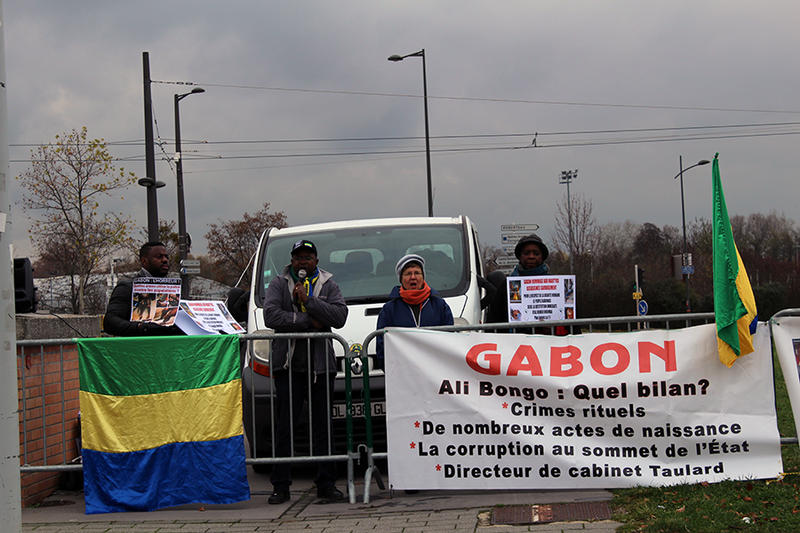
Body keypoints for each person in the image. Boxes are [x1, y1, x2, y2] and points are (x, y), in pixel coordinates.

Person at [262, 239, 348, 505]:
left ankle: (326, 484)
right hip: (288, 367)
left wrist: (309, 301)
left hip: (320, 367)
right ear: (291, 260)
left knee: (324, 426)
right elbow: (271, 316)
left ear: (316, 261)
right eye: (298, 257)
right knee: (285, 427)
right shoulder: (279, 283)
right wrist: (308, 322)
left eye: (307, 257)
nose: (302, 262)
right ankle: (281, 486)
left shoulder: (328, 283)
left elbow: (339, 316)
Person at [375, 254, 454, 369]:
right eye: (408, 274)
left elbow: (450, 340)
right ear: (401, 279)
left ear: (423, 277)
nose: (413, 277)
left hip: (436, 371)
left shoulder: (439, 305)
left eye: (417, 273)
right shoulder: (389, 309)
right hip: (403, 373)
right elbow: (382, 346)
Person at [103, 241, 183, 336]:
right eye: (159, 257)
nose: (165, 260)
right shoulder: (127, 287)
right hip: (137, 346)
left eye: (166, 257)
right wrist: (141, 327)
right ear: (144, 261)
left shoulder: (174, 289)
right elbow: (110, 322)